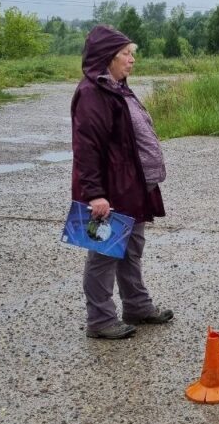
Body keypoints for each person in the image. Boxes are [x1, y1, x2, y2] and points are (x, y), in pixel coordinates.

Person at [71, 25, 173, 340]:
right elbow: (86, 148)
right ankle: (100, 320)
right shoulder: (92, 93)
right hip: (110, 192)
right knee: (103, 255)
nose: (131, 60)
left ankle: (137, 306)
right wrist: (95, 194)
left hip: (132, 187)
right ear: (108, 57)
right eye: (125, 54)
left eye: (131, 54)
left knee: (131, 249)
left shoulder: (118, 88)